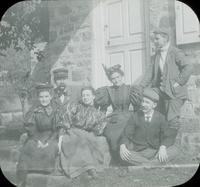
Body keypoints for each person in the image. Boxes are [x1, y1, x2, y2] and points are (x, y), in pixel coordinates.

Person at [139, 27, 193, 130]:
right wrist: (140, 87)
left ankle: (173, 144)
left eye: (157, 39)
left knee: (172, 120)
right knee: (154, 110)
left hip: (174, 93)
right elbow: (149, 74)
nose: (154, 41)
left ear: (165, 38)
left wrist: (178, 82)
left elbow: (189, 66)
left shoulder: (175, 52)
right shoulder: (157, 55)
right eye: (154, 39)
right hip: (162, 91)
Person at [58, 86, 111, 179]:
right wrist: (62, 134)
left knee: (85, 140)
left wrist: (92, 131)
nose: (85, 97)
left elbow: (99, 128)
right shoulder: (75, 107)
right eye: (83, 95)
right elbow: (66, 120)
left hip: (87, 134)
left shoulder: (97, 113)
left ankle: (84, 169)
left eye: (88, 95)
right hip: (72, 133)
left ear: (93, 96)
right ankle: (88, 169)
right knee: (77, 140)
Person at [95, 64, 142, 165]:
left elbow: (137, 106)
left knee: (126, 129)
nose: (116, 80)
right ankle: (116, 156)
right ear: (110, 80)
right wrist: (100, 120)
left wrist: (139, 119)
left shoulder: (130, 89)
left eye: (118, 77)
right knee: (111, 131)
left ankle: (125, 158)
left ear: (122, 76)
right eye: (113, 78)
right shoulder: (108, 90)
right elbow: (103, 108)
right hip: (115, 116)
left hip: (128, 116)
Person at [119, 88, 179, 166]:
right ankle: (156, 164)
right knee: (124, 155)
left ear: (154, 105)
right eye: (143, 101)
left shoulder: (160, 117)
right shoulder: (135, 116)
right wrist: (122, 146)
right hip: (139, 152)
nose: (143, 104)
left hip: (156, 150)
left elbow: (168, 135)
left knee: (175, 150)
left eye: (147, 102)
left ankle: (146, 164)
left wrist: (163, 147)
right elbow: (126, 134)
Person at [16, 83, 60, 187]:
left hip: (51, 136)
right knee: (28, 148)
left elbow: (56, 130)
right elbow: (31, 128)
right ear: (38, 98)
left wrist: (48, 141)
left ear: (50, 97)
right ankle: (21, 180)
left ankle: (42, 172)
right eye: (41, 97)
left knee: (50, 148)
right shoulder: (34, 111)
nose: (44, 99)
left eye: (46, 97)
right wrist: (37, 140)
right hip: (36, 136)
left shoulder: (55, 111)